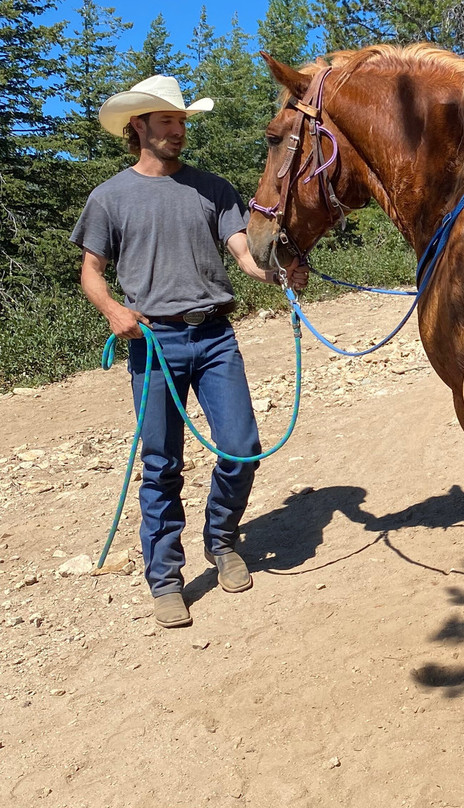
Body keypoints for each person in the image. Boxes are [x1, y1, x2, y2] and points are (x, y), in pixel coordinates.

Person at [71, 75, 309, 629]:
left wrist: (275, 273)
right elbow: (91, 273)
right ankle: (166, 578)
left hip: (215, 337)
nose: (178, 131)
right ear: (138, 127)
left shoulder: (213, 188)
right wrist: (113, 311)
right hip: (154, 343)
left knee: (243, 447)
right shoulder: (109, 197)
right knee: (161, 464)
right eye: (167, 122)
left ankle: (222, 539)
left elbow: (244, 255)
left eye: (181, 122)